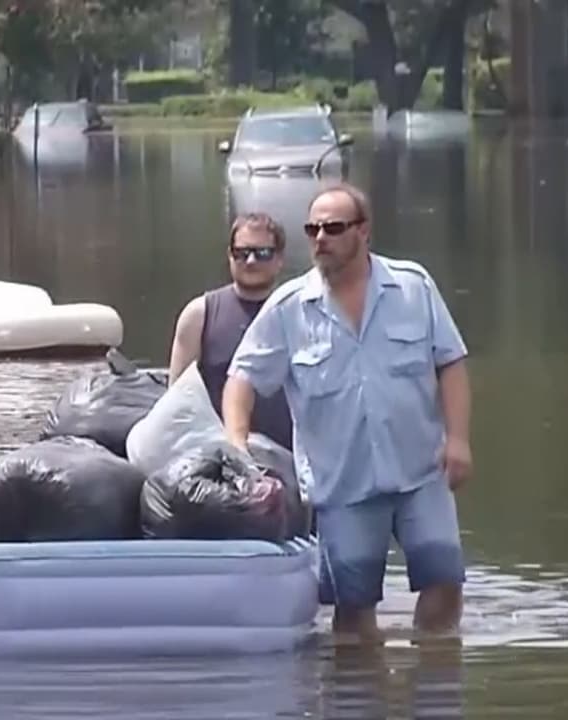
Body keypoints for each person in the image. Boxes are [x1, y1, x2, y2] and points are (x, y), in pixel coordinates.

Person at [221, 182, 473, 642]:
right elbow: (242, 379)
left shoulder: (412, 287)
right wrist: (237, 444)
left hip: (420, 471)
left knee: (444, 582)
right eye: (312, 228)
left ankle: (433, 676)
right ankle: (364, 698)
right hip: (342, 485)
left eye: (333, 228)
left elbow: (450, 361)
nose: (320, 238)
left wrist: (458, 439)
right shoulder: (289, 307)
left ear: (363, 232)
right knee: (353, 613)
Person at [167, 212, 293, 450]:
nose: (251, 261)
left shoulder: (299, 312)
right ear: (229, 256)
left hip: (290, 460)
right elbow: (177, 403)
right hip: (222, 458)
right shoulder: (199, 315)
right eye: (242, 253)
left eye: (262, 253)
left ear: (279, 259)